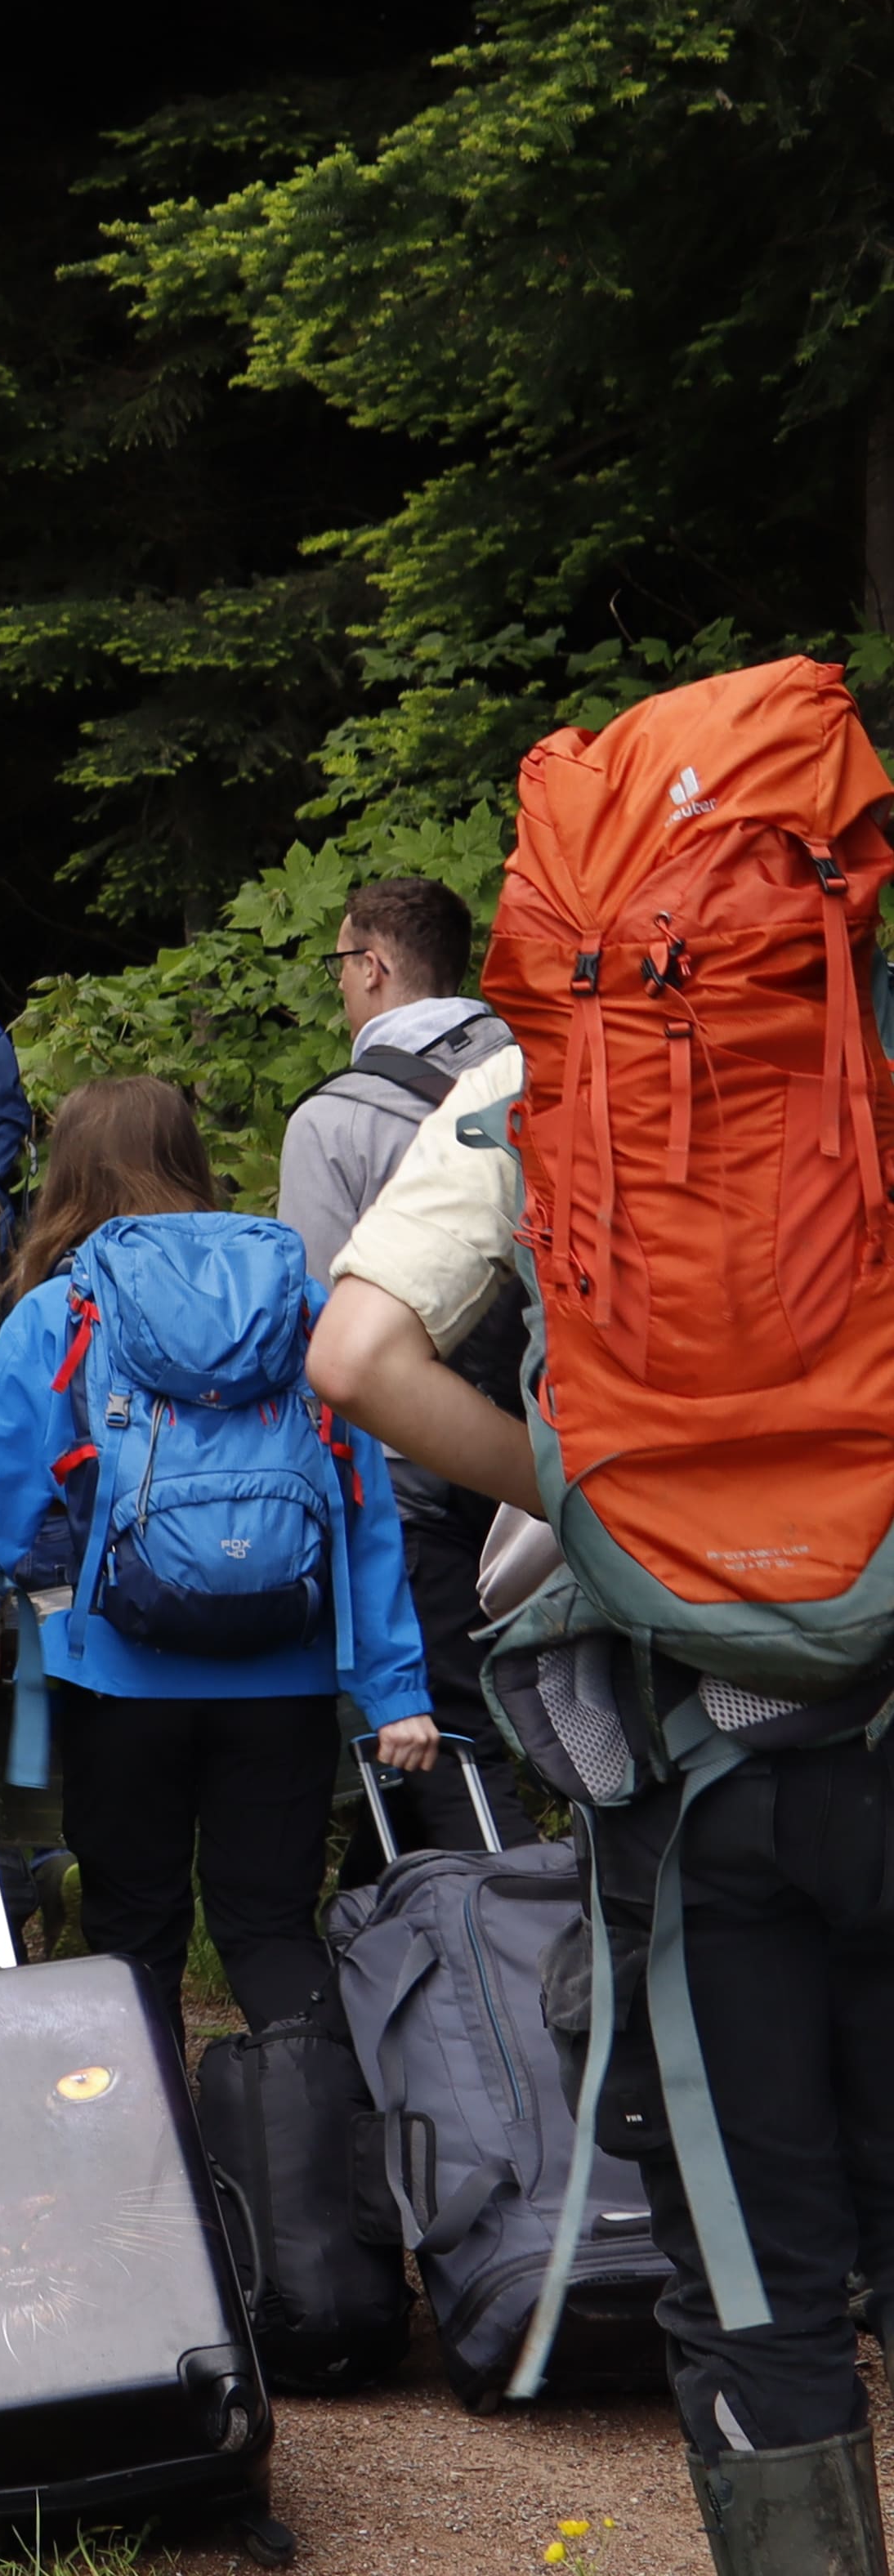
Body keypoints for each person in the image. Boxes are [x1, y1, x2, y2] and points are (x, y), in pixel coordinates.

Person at [307, 850, 892, 2574]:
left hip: (696, 1776)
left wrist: (598, 1509)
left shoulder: (541, 1073)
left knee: (756, 2270)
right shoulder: (865, 1038)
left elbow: (355, 1358)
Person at [0, 1076, 438, 2031]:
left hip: (120, 1681)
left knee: (133, 1932)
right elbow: (364, 1508)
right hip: (287, 1676)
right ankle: (306, 2124)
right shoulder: (301, 1304)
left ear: (72, 1173)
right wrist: (395, 1690)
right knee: (272, 1928)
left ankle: (158, 2129)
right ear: (190, 1161)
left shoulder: (60, 1314)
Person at [271, 874, 515, 1855]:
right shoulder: (547, 1069)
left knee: (449, 1741)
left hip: (411, 1482)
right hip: (559, 1461)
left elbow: (319, 1333)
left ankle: (513, 1927)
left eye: (342, 962)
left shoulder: (335, 1119)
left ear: (372, 967)